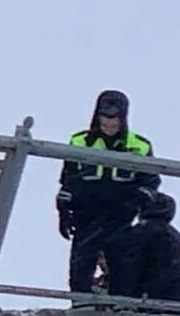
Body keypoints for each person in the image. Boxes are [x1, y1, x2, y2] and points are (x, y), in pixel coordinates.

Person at [57, 89, 159, 299]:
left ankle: (119, 311)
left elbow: (151, 182)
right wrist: (64, 210)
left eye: (114, 124)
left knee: (122, 268)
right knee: (81, 266)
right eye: (105, 123)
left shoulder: (139, 145)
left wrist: (142, 204)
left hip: (120, 217)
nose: (109, 129)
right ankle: (80, 307)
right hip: (87, 216)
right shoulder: (80, 141)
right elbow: (68, 179)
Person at [110, 191, 180, 306]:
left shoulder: (145, 230)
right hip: (172, 301)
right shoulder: (173, 234)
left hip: (150, 301)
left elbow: (127, 266)